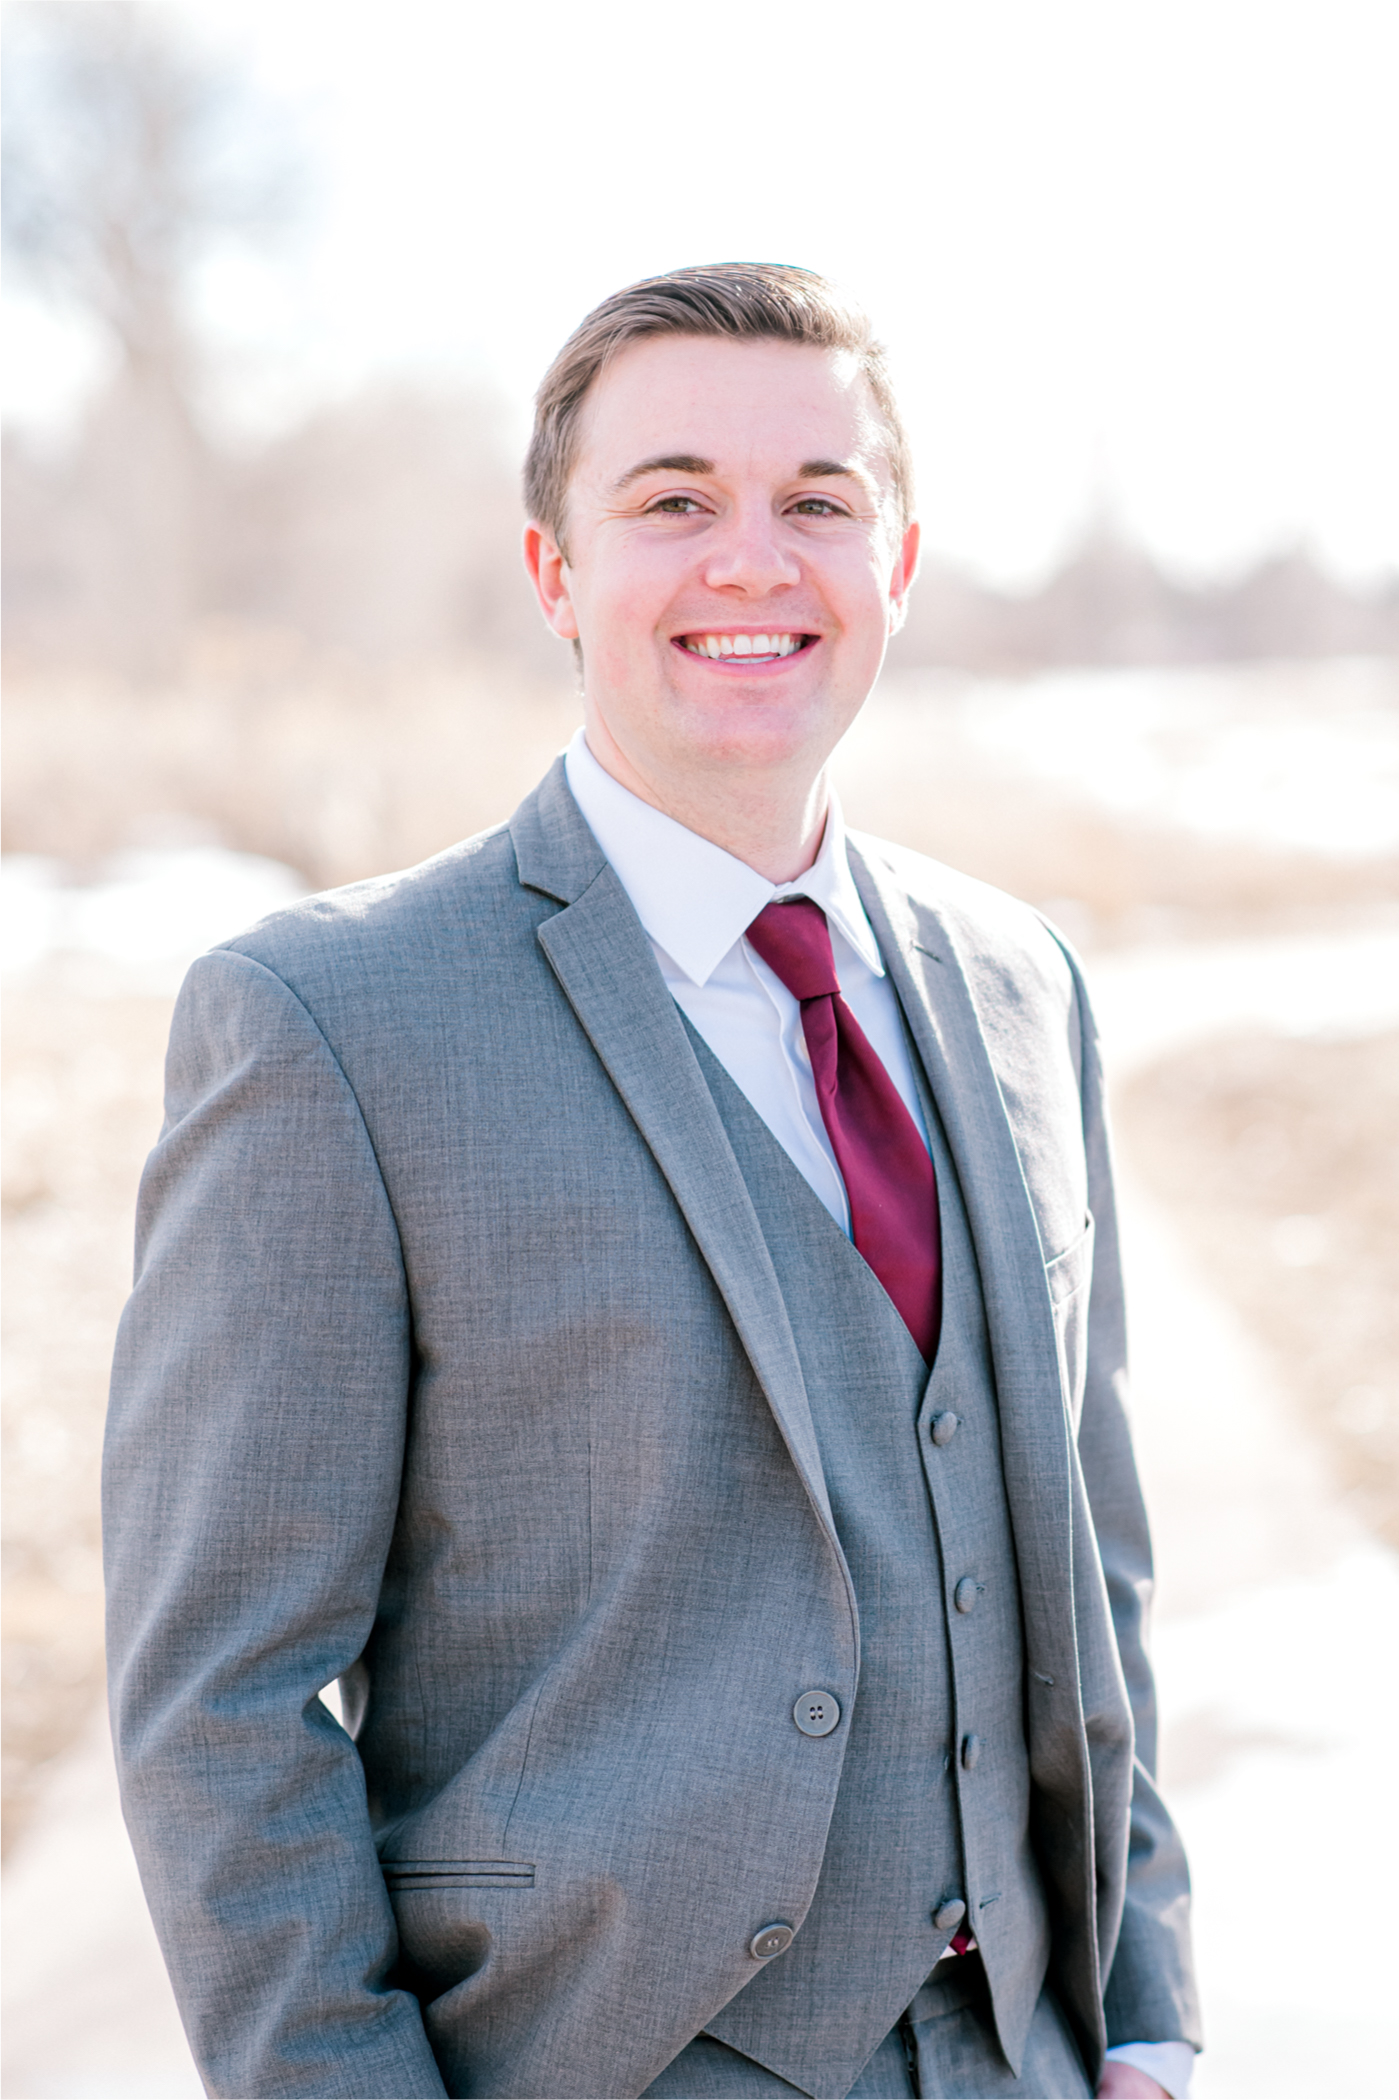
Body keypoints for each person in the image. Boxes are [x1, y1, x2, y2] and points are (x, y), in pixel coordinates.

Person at [104, 263, 1201, 2100]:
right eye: (673, 500)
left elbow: (1091, 1553)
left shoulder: (1025, 981)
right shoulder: (329, 1024)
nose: (754, 561)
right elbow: (219, 1703)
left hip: (1022, 2054)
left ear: (899, 569)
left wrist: (1146, 2007)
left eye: (819, 505)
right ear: (555, 574)